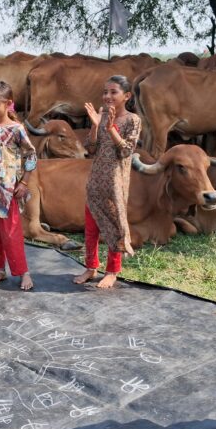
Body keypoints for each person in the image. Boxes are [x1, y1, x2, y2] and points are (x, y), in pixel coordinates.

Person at [73, 75, 142, 289]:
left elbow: (126, 151)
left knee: (114, 229)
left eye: (113, 92)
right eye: (105, 92)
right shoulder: (101, 117)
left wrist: (111, 128)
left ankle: (112, 271)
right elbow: (90, 149)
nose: (107, 96)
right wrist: (96, 126)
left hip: (115, 184)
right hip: (95, 181)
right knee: (91, 229)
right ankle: (91, 267)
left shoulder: (132, 120)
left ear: (126, 96)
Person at [0, 81, 37, 290]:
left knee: (11, 233)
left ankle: (23, 272)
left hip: (7, 191)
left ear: (8, 103)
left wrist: (24, 182)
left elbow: (31, 155)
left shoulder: (16, 129)